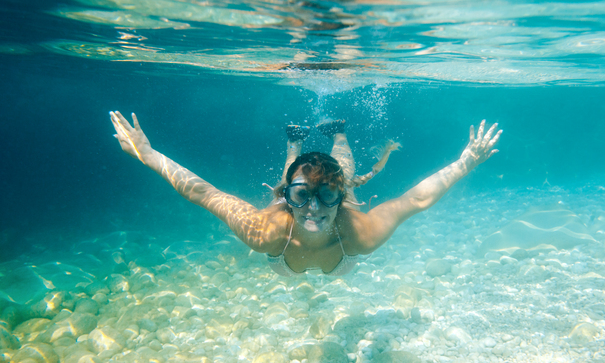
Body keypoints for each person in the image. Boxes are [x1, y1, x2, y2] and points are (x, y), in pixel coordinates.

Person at [110, 111, 501, 276]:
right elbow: (204, 193)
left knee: (339, 168)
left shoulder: (358, 233)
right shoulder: (265, 230)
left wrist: (466, 161)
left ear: (341, 197)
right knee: (299, 177)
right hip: (292, 205)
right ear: (289, 197)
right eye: (301, 197)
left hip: (330, 195)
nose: (313, 209)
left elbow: (413, 200)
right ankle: (293, 148)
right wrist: (148, 154)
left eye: (327, 197)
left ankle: (339, 132)